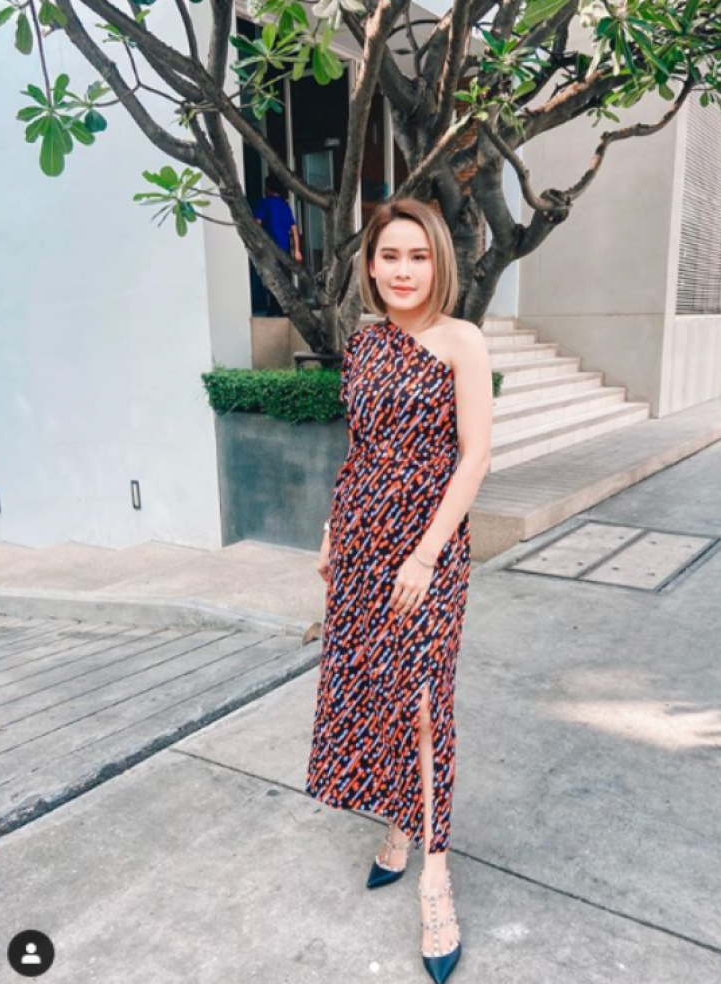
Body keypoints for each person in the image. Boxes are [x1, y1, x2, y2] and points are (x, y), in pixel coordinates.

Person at [305, 198, 493, 983]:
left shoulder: (462, 340)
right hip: (360, 542)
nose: (404, 270)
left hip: (429, 550)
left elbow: (474, 456)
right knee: (375, 691)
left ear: (438, 261)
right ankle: (396, 824)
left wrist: (422, 556)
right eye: (390, 256)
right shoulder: (364, 343)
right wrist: (331, 528)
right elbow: (359, 450)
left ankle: (435, 877)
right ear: (371, 265)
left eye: (418, 256)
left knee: (422, 703)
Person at [252, 174, 302, 315]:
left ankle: (274, 307)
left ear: (267, 188)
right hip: (283, 249)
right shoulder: (285, 206)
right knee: (281, 278)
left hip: (269, 248)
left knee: (270, 278)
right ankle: (281, 307)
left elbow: (257, 224)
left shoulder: (264, 203)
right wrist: (297, 250)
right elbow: (293, 229)